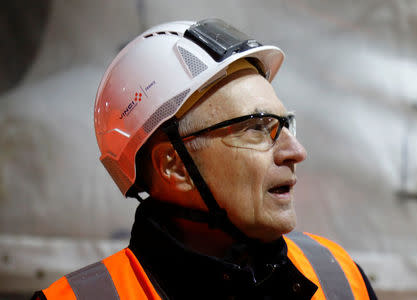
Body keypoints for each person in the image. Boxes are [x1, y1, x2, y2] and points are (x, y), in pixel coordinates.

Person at [32, 19, 377, 300]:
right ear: (174, 166)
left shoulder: (339, 277)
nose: (296, 151)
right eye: (257, 127)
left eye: (284, 124)